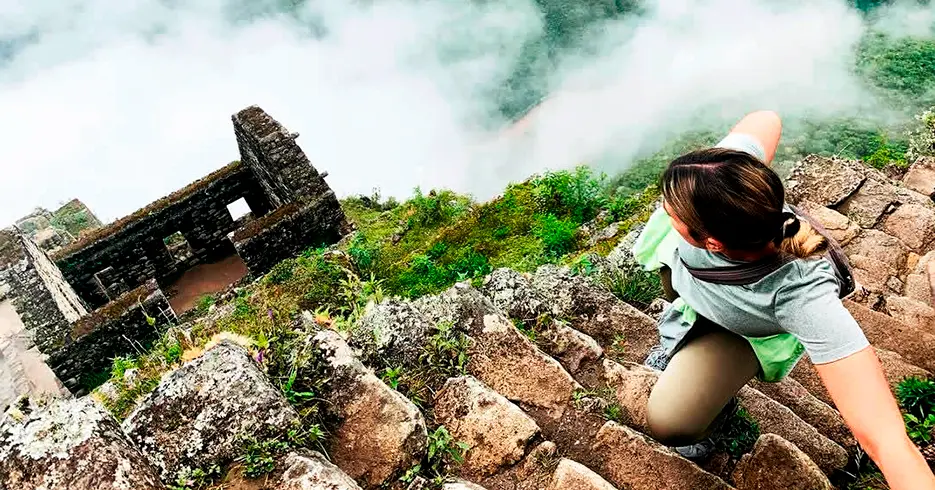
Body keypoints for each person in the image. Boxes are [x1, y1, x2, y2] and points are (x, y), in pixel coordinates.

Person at [630, 110, 935, 489]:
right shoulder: (729, 189)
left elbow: (887, 440)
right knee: (673, 284)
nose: (663, 209)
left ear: (713, 243)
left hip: (740, 331)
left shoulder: (803, 296)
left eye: (672, 210)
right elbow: (766, 118)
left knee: (670, 421)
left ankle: (715, 415)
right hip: (698, 290)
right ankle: (677, 343)